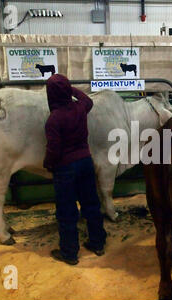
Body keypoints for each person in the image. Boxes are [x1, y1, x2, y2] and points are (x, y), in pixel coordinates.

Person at [44, 73, 107, 265]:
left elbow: (53, 149)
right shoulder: (80, 108)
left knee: (66, 212)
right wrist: (69, 88)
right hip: (85, 162)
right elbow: (87, 99)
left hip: (65, 169)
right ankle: (97, 243)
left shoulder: (53, 120)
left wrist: (48, 164)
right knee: (91, 205)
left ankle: (70, 253)